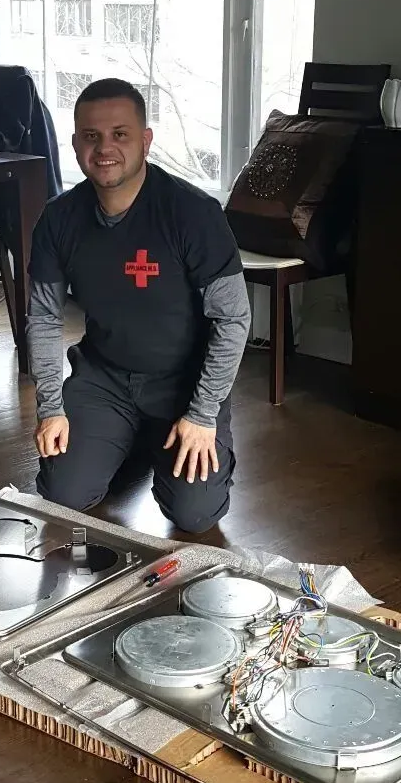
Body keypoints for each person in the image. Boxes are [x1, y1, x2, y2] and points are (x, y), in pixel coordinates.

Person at [27, 78, 250, 534]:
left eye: (120, 134)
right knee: (64, 495)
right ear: (74, 143)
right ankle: (127, 442)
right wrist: (51, 407)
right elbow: (44, 318)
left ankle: (172, 443)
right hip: (104, 378)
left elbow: (233, 318)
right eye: (91, 136)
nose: (104, 148)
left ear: (145, 140)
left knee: (194, 514)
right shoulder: (58, 218)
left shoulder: (193, 214)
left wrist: (203, 413)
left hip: (182, 385)